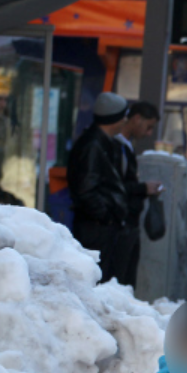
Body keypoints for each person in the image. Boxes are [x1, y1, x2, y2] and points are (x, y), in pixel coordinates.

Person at [67, 92, 131, 283]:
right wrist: (106, 217)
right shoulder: (94, 145)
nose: (126, 120)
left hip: (98, 224)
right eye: (123, 116)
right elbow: (86, 189)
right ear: (114, 119)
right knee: (96, 278)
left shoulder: (102, 142)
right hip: (96, 227)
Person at [113, 101, 162, 287]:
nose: (149, 133)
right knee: (121, 279)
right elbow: (116, 185)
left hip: (127, 222)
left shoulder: (126, 147)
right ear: (136, 119)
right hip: (121, 222)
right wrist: (143, 188)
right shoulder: (117, 147)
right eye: (148, 127)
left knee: (126, 278)